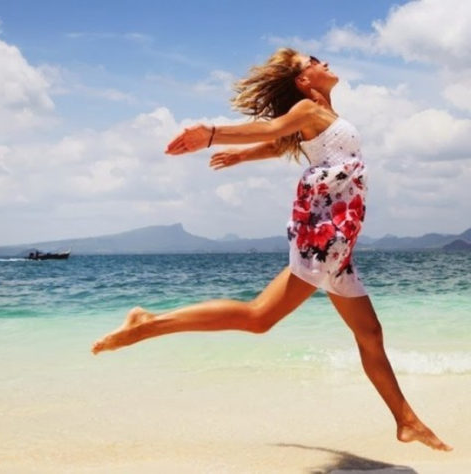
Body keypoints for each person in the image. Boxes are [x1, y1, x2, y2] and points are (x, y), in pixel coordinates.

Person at [91, 48, 452, 451]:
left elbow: (280, 142)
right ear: (303, 80)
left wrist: (243, 155)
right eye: (312, 61)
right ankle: (148, 324)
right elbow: (272, 128)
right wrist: (210, 134)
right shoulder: (307, 110)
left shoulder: (322, 118)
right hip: (323, 234)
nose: (323, 62)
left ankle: (406, 421)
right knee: (259, 317)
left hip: (338, 241)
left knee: (369, 332)